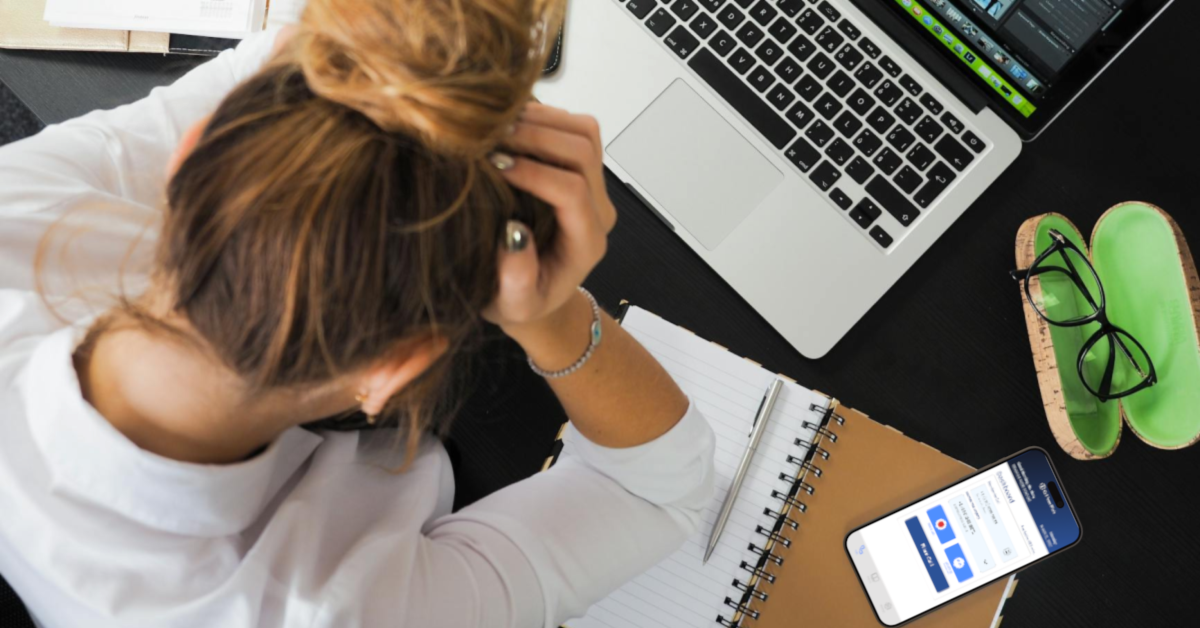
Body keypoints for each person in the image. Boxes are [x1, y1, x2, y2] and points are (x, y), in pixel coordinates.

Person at [0, 0, 716, 626]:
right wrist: (553, 316)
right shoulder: (338, 612)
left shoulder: (14, 218)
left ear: (189, 158)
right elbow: (656, 490)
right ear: (393, 373)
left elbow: (280, 59)